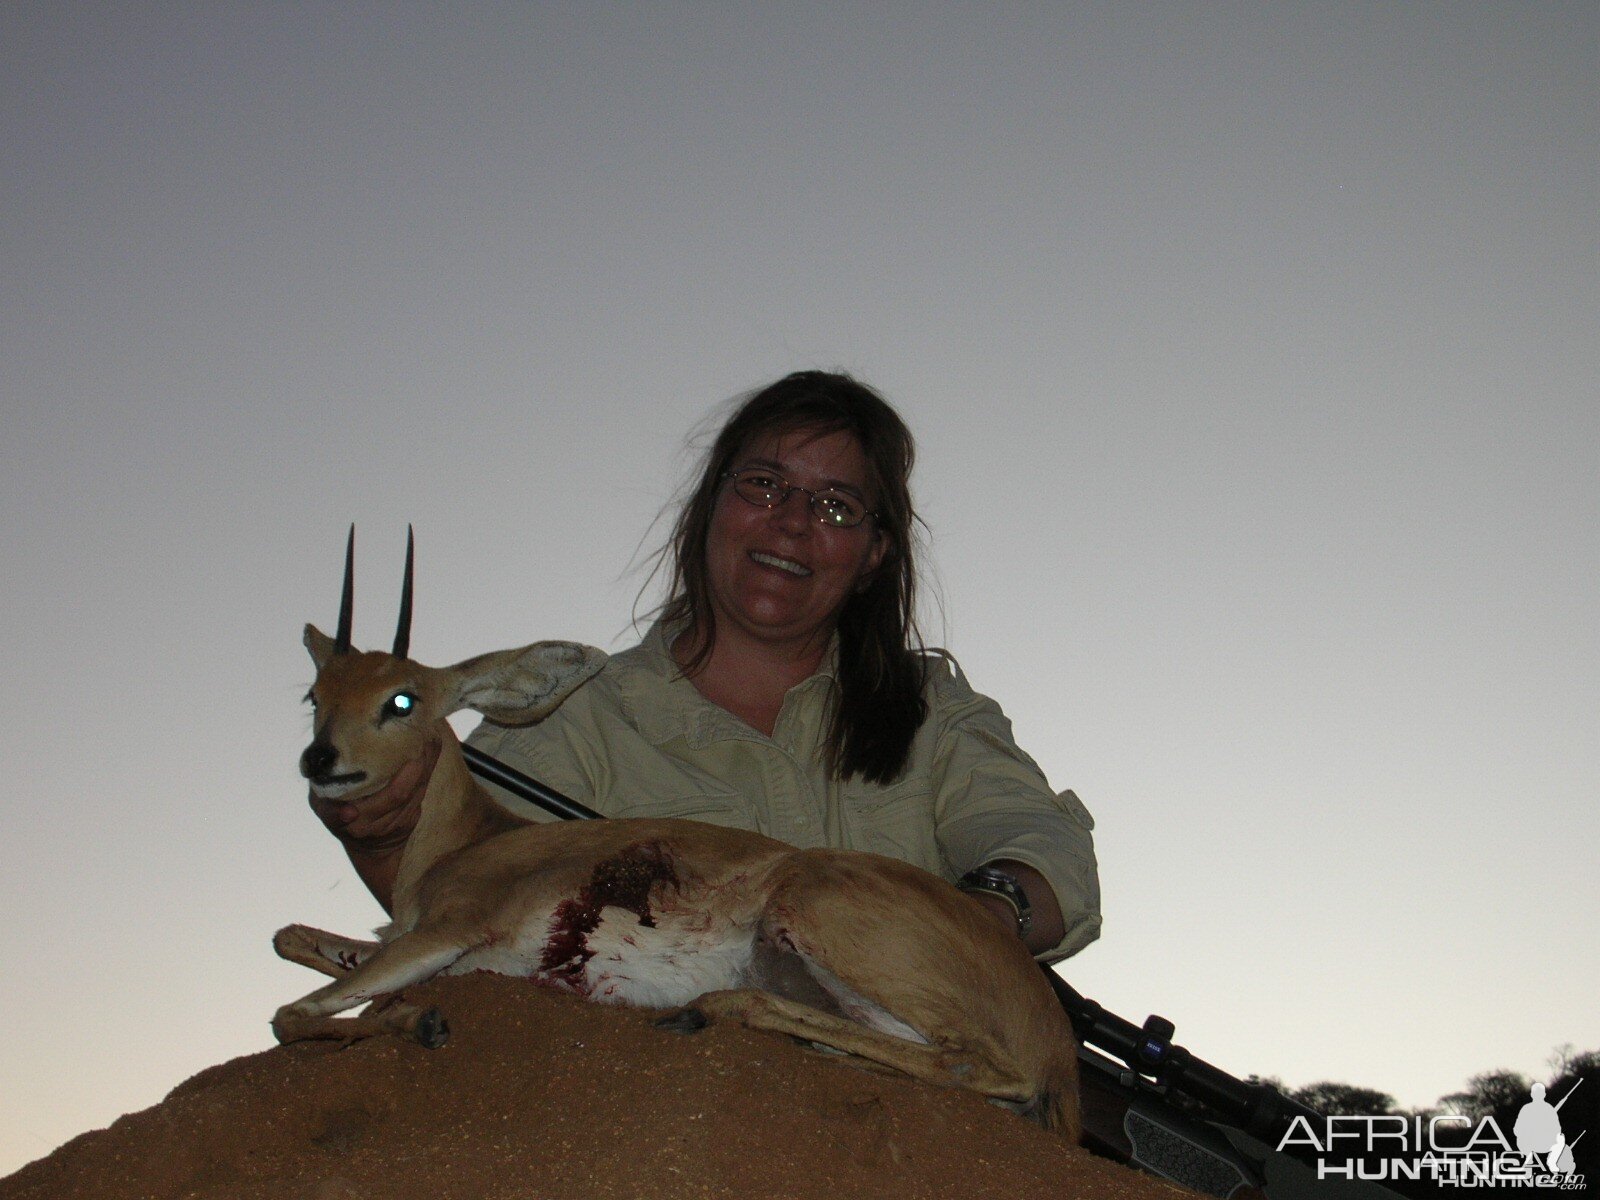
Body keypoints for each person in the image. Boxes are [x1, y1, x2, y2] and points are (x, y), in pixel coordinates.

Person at [310, 371, 1100, 962]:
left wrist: (975, 922)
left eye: (835, 507)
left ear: (873, 554)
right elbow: (465, 900)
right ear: (710, 506)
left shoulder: (931, 709)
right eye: (764, 485)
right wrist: (379, 837)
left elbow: (1041, 846)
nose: (791, 522)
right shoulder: (575, 715)